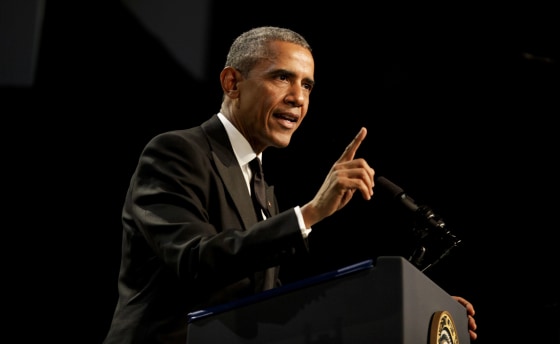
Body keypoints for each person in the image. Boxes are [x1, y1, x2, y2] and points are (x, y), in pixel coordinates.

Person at [103, 26, 477, 343]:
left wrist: (413, 305)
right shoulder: (177, 152)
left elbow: (273, 307)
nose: (298, 98)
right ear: (232, 82)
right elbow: (194, 259)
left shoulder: (263, 187)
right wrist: (311, 213)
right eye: (281, 77)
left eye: (308, 85)